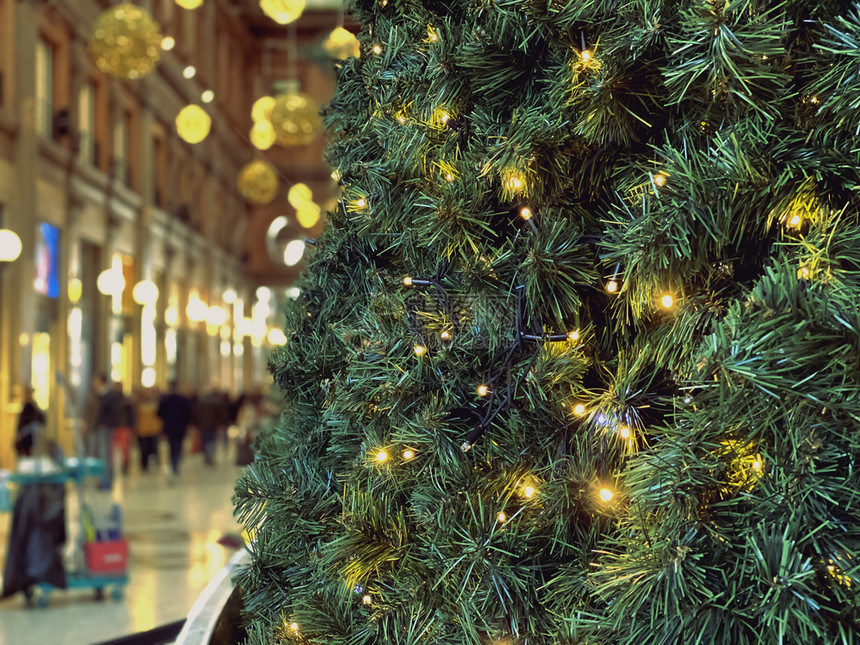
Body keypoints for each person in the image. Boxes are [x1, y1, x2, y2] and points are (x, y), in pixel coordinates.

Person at [158, 382, 192, 479]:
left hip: (169, 427)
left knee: (172, 446)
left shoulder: (165, 399)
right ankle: (175, 463)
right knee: (178, 446)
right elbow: (188, 414)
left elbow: (159, 413)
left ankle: (174, 464)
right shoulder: (182, 399)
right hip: (180, 427)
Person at [92, 375, 121, 488]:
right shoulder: (97, 396)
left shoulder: (110, 396)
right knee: (100, 455)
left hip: (106, 429)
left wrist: (104, 424)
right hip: (99, 428)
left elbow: (113, 413)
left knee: (105, 455)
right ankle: (103, 480)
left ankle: (106, 481)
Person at [193, 387, 230, 466]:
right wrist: (223, 423)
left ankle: (207, 456)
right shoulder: (218, 402)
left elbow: (197, 414)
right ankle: (210, 455)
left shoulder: (202, 402)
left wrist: (196, 424)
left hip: (203, 425)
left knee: (204, 441)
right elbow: (222, 415)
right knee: (212, 441)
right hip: (213, 425)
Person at [135, 387, 162, 472]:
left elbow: (159, 417)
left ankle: (154, 462)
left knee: (153, 448)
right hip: (142, 430)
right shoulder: (138, 405)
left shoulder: (155, 403)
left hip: (153, 430)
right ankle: (144, 465)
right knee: (144, 449)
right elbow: (136, 418)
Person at [14, 386, 45, 457]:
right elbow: (21, 424)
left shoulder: (32, 407)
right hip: (24, 440)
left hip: (30, 440)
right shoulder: (26, 407)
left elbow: (41, 420)